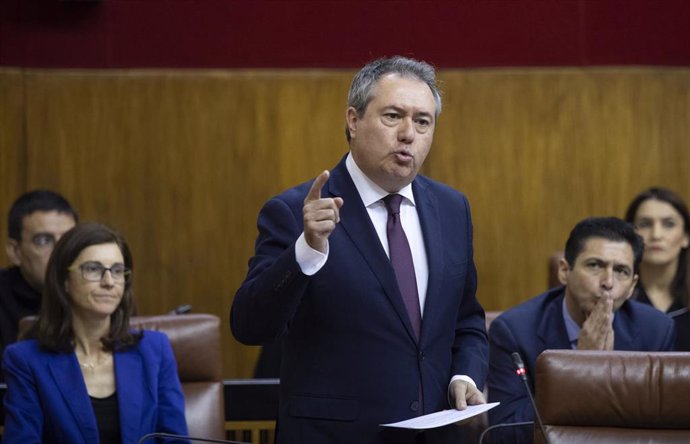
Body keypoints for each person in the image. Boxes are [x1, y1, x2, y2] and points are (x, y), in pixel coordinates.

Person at [231, 56, 489, 444]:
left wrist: (463, 376)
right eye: (392, 116)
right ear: (353, 121)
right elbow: (250, 325)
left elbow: (466, 320)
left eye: (422, 121)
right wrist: (306, 252)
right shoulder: (294, 212)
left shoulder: (452, 209)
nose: (408, 134)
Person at [487, 217, 675, 443]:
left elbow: (661, 428)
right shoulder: (514, 331)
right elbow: (505, 431)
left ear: (632, 285)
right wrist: (579, 369)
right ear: (565, 271)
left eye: (621, 271)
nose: (608, 282)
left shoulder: (655, 329)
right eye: (595, 265)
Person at [2, 222, 188, 443]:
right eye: (93, 269)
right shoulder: (26, 360)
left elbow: (175, 440)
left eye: (118, 271)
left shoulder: (154, 350)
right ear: (64, 281)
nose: (109, 282)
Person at [0, 190, 78, 366]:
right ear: (14, 251)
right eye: (44, 240)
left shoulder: (97, 292)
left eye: (68, 240)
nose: (60, 252)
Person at [625, 187, 690, 350]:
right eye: (645, 224)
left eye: (669, 224)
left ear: (686, 237)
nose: (656, 234)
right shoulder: (615, 297)